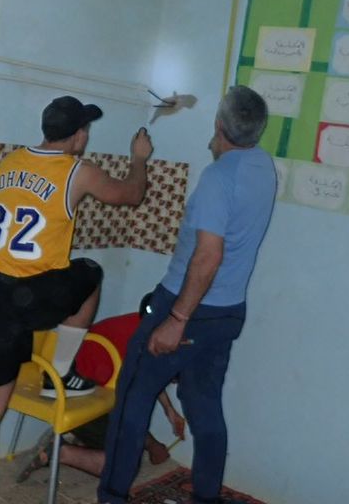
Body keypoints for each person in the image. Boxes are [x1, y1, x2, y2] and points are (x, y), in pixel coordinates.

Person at [0, 96, 153, 504]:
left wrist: (7, 270)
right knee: (90, 272)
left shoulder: (9, 162)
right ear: (78, 135)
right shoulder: (77, 170)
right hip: (37, 291)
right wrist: (139, 158)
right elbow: (132, 195)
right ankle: (58, 374)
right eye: (86, 131)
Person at [97, 86, 276, 504]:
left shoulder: (219, 177)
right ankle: (207, 498)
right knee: (204, 406)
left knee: (133, 398)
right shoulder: (263, 166)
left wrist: (177, 320)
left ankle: (111, 497)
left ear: (219, 124)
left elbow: (208, 255)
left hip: (188, 307)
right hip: (227, 313)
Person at [17, 293, 186, 483]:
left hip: (88, 389)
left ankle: (82, 443)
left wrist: (168, 413)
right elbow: (139, 396)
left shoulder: (147, 327)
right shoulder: (147, 341)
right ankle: (58, 451)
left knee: (127, 432)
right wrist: (152, 443)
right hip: (72, 393)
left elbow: (148, 379)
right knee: (124, 466)